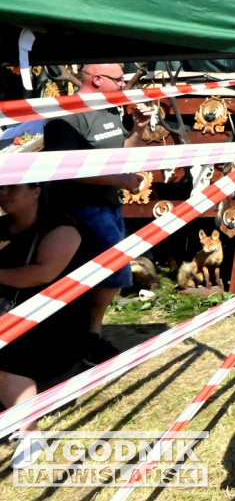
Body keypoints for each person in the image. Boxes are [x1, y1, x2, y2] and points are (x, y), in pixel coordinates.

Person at [42, 64, 147, 366]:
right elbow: (60, 172)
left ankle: (89, 337)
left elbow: (122, 154)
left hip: (108, 204)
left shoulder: (110, 111)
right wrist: (119, 180)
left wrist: (138, 131)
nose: (126, 83)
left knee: (110, 274)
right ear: (97, 80)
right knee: (107, 273)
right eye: (119, 79)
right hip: (79, 209)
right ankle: (85, 340)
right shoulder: (67, 116)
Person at [0, 183, 90, 468]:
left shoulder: (62, 228)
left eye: (11, 188)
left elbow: (42, 274)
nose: (2, 195)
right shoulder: (2, 227)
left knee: (5, 351)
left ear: (36, 190)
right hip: (10, 313)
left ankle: (29, 433)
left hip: (53, 323)